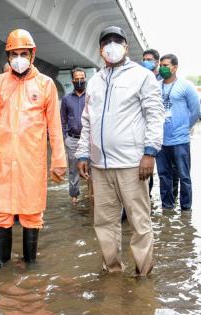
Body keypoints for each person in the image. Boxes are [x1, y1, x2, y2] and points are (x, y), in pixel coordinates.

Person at [76, 26, 165, 277]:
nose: (112, 45)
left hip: (132, 164)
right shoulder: (94, 81)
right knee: (104, 223)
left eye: (117, 41)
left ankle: (143, 274)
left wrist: (150, 152)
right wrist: (83, 154)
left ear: (126, 47)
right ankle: (112, 271)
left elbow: (155, 115)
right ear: (100, 50)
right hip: (100, 166)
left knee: (139, 222)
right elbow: (87, 121)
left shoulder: (142, 76)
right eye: (107, 42)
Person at [0, 29, 67, 268]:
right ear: (8, 57)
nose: (19, 58)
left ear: (32, 55)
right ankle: (1, 263)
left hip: (32, 160)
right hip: (2, 158)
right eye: (14, 54)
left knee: (31, 212)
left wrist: (58, 161)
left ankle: (30, 263)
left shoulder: (46, 84)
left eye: (23, 53)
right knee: (0, 212)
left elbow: (55, 128)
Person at [156, 54, 199, 212]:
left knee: (184, 177)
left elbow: (196, 111)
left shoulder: (186, 86)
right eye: (161, 65)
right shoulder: (156, 86)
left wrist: (184, 128)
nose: (162, 68)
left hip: (180, 140)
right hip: (160, 140)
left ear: (175, 67)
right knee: (164, 176)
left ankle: (186, 210)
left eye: (166, 65)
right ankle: (167, 208)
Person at [142, 49, 179, 199]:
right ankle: (147, 196)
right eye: (144, 59)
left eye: (149, 59)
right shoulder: (141, 78)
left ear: (156, 62)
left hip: (168, 134)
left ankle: (172, 198)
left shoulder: (163, 80)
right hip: (146, 134)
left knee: (171, 170)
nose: (145, 62)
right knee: (147, 168)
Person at [61, 68, 86, 204]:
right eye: (77, 79)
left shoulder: (90, 97)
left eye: (82, 78)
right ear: (72, 80)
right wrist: (64, 137)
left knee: (93, 167)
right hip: (72, 139)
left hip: (88, 139)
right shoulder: (66, 99)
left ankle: (93, 194)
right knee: (73, 169)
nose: (80, 81)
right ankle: (74, 196)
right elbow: (62, 119)